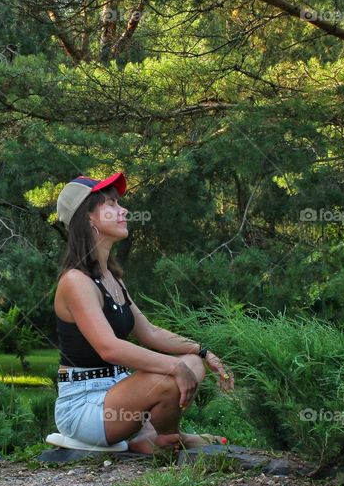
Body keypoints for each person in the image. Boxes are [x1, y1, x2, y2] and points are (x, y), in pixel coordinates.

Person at [52, 172, 234, 453]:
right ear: (87, 218)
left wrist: (201, 351)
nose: (123, 210)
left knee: (192, 364)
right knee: (172, 374)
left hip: (120, 391)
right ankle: (167, 439)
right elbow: (109, 348)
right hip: (85, 405)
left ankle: (151, 437)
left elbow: (149, 332)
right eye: (111, 204)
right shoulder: (76, 281)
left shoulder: (112, 278)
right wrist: (173, 366)